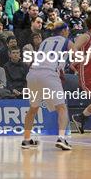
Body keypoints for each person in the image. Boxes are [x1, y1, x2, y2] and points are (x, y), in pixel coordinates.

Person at [22, 21, 72, 150]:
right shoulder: (65, 41)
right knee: (62, 108)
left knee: (33, 109)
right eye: (67, 30)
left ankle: (26, 140)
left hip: (33, 73)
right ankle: (62, 138)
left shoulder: (45, 41)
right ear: (63, 31)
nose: (68, 32)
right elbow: (77, 53)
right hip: (48, 74)